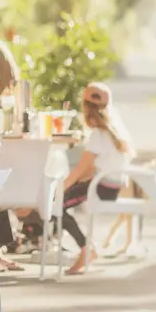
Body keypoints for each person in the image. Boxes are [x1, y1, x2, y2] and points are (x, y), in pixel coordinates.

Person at [58, 81, 136, 275]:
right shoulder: (114, 131)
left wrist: (59, 189)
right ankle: (86, 248)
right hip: (112, 186)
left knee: (56, 206)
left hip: (101, 187)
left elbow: (81, 168)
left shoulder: (98, 135)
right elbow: (90, 168)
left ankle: (86, 250)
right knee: (63, 200)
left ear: (85, 107)